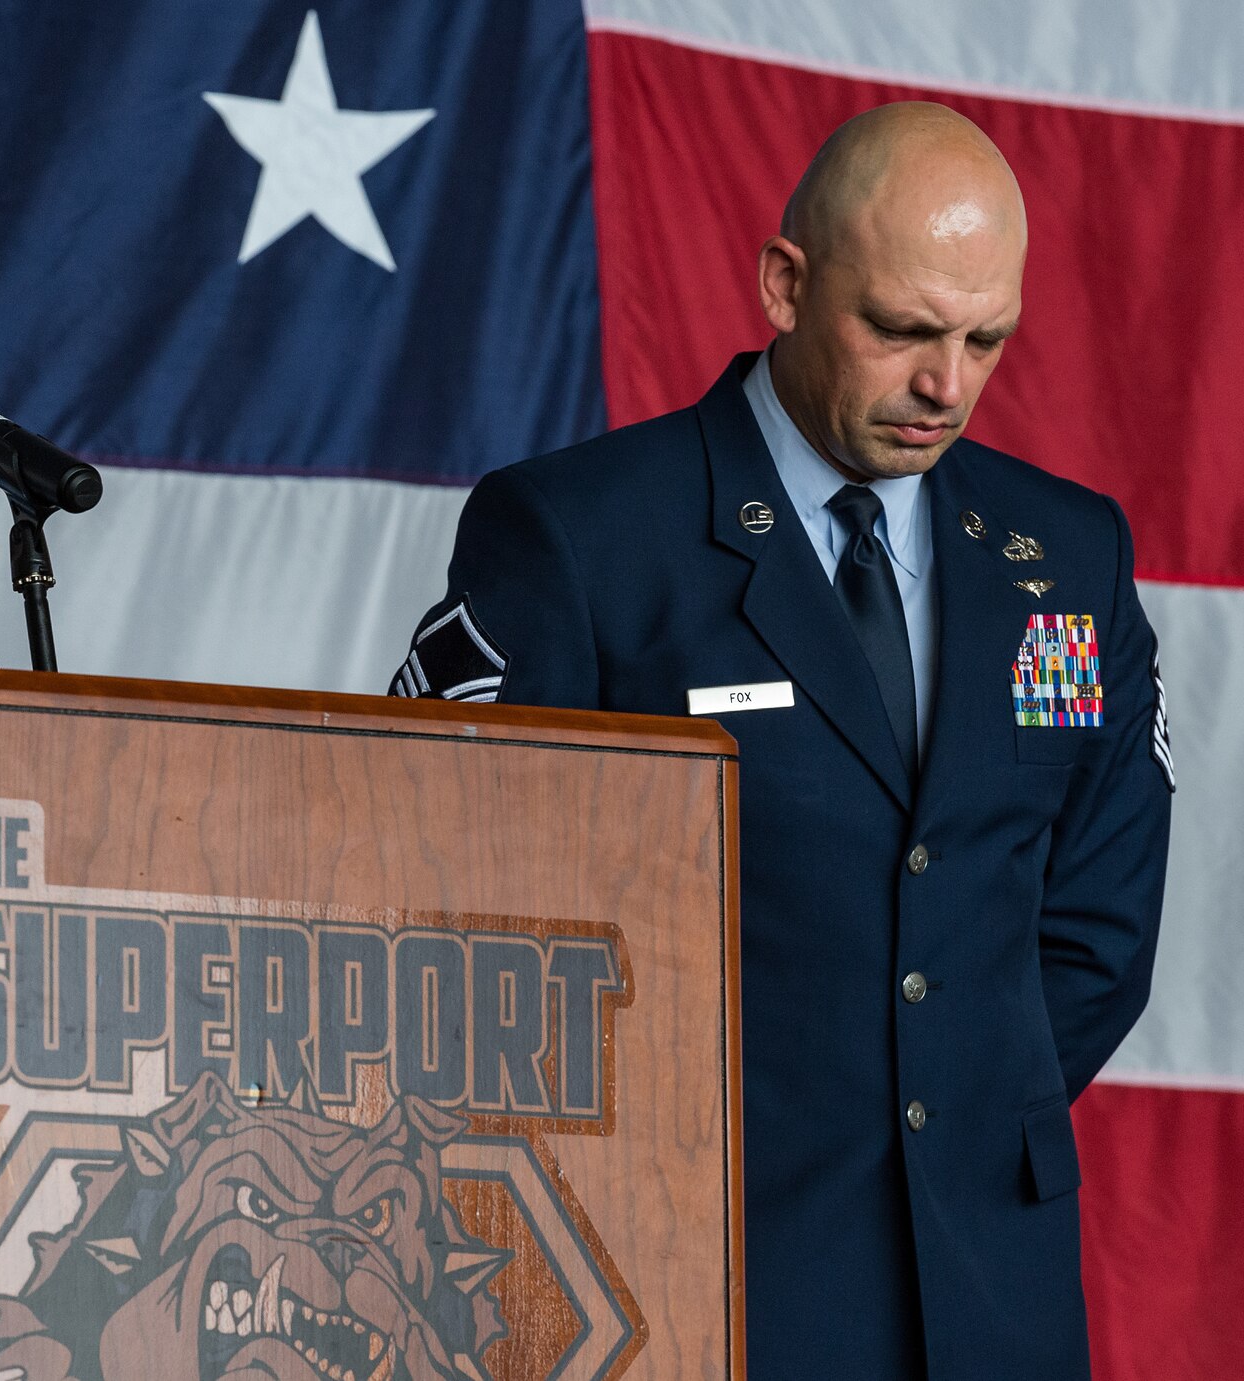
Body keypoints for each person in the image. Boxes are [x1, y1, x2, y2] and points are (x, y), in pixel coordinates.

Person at [393, 103, 1170, 1380]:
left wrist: (939, 1128)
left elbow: (1094, 928)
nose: (946, 386)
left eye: (985, 340)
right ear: (783, 284)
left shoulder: (1064, 564)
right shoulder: (579, 538)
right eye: (903, 330)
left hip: (989, 1295)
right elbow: (448, 921)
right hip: (681, 1276)